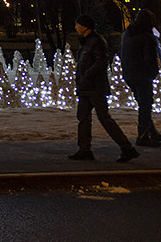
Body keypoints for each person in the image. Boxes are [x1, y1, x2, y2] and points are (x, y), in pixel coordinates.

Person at [68, 14, 139, 162]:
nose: (75, 27)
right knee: (83, 118)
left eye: (77, 24)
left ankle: (127, 148)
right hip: (86, 88)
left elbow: (101, 62)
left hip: (95, 88)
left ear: (85, 26)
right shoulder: (86, 42)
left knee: (105, 119)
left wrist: (87, 76)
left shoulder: (96, 41)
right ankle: (84, 150)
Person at [119, 9, 161, 147]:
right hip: (142, 75)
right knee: (146, 105)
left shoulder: (127, 33)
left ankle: (153, 133)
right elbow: (150, 58)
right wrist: (153, 73)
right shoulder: (147, 36)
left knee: (143, 104)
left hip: (129, 75)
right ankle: (143, 137)